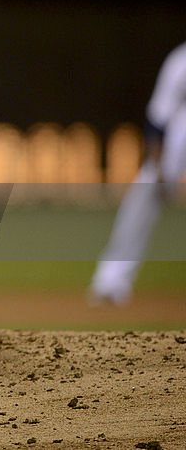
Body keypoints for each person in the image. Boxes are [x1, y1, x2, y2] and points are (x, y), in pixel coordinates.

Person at [89, 41, 186, 305]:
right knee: (143, 194)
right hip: (178, 142)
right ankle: (111, 281)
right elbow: (158, 119)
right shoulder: (181, 60)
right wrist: (157, 169)